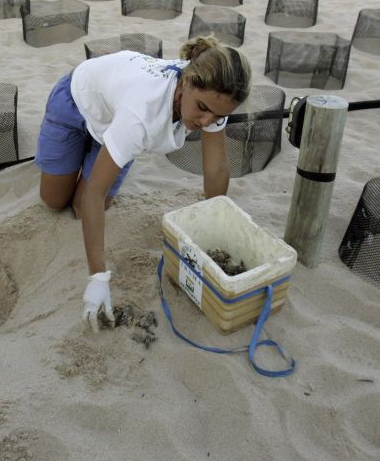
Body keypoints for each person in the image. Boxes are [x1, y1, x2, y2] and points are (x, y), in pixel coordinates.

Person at [35, 36, 252, 332]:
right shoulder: (142, 113)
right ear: (188, 80)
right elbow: (95, 193)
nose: (206, 121)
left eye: (218, 116)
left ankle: (101, 151)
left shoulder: (213, 101)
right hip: (76, 103)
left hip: (117, 121)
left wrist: (216, 224)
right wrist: (98, 277)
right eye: (202, 108)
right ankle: (84, 150)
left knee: (82, 210)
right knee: (54, 201)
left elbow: (216, 169)